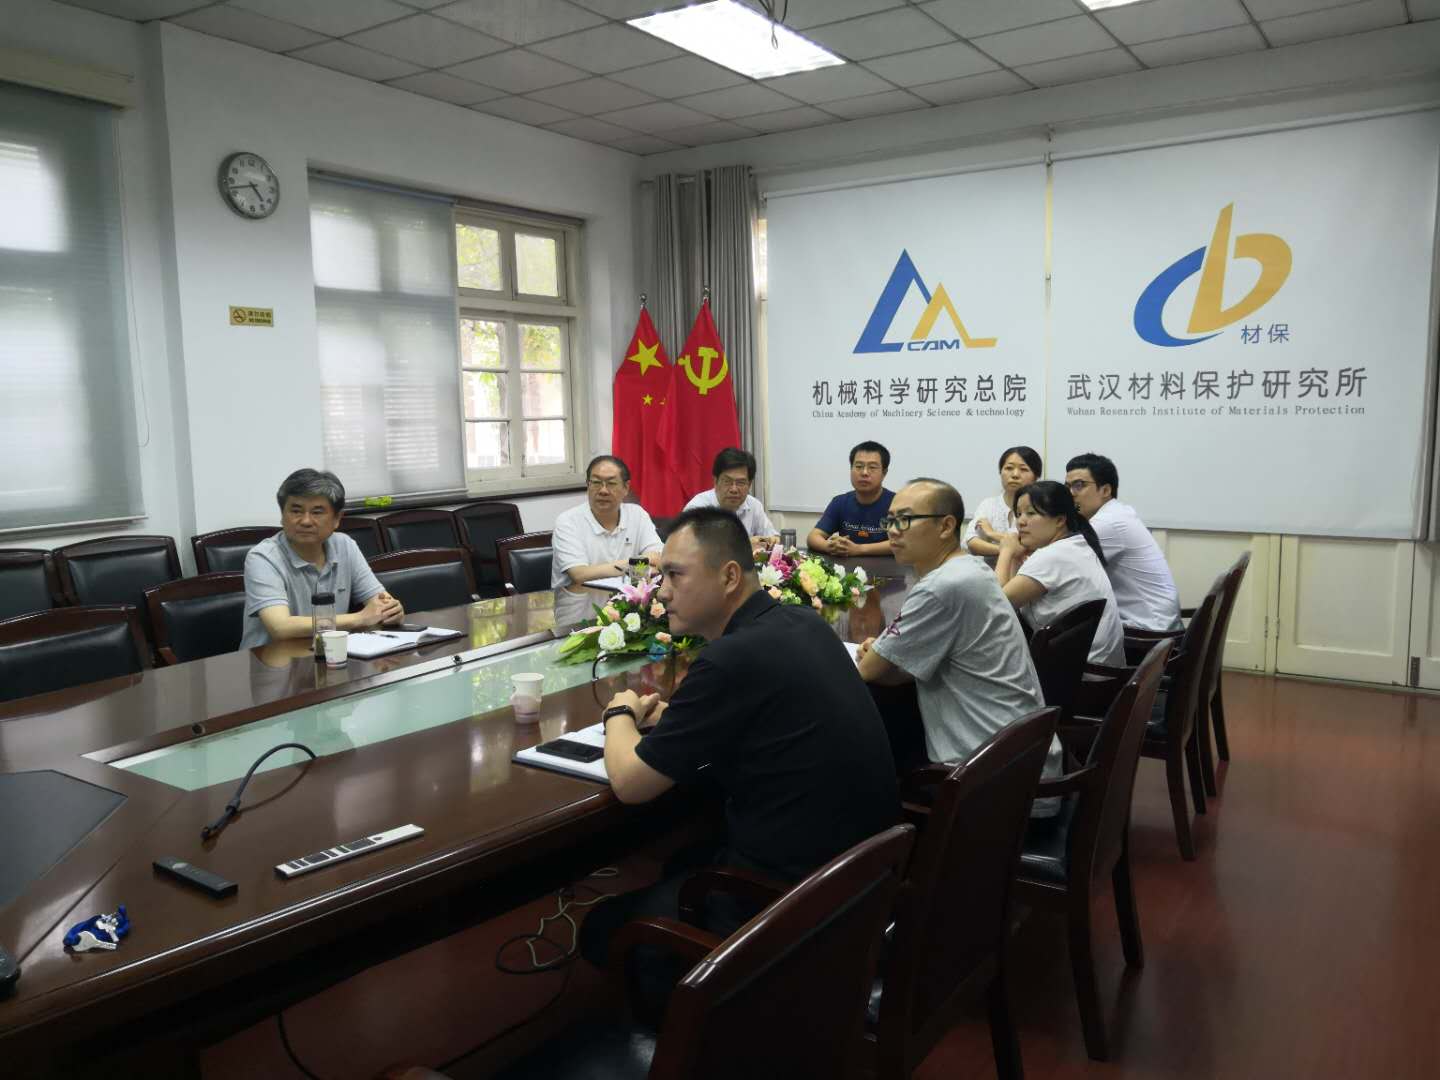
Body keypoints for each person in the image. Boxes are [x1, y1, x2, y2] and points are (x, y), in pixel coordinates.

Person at [583, 507, 899, 979]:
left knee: (600, 927)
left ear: (730, 576)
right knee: (684, 857)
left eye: (675, 575)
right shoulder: (801, 621)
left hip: (789, 902)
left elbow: (630, 784)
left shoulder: (730, 659)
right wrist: (681, 718)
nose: (662, 591)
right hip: (854, 883)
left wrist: (619, 714)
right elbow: (762, 713)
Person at [855, 479, 1060, 808]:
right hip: (1022, 759)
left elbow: (867, 670)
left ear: (946, 526)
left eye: (904, 520)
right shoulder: (970, 568)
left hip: (990, 782)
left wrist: (877, 653)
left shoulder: (943, 586)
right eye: (889, 520)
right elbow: (897, 667)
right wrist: (883, 655)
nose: (892, 530)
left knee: (862, 745)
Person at [241, 468, 404, 649]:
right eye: (296, 511)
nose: (305, 521)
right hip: (271, 661)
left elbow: (381, 602)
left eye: (317, 512)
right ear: (282, 515)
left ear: (337, 519)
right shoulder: (263, 558)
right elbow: (280, 627)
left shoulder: (345, 546)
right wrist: (360, 618)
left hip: (330, 653)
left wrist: (390, 611)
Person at [996, 480, 1126, 666]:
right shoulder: (1075, 545)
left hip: (1077, 673)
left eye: (1031, 513)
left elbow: (996, 605)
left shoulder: (1053, 555)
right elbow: (1012, 599)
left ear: (1059, 520)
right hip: (1098, 668)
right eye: (1018, 514)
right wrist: (1016, 557)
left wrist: (1006, 552)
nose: (1021, 522)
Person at [1065, 452, 1182, 631]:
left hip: (1149, 629)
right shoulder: (1116, 513)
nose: (1070, 494)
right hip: (1153, 621)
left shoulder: (1109, 522)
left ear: (1105, 490)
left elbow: (1061, 563)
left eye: (1079, 485)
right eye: (1067, 486)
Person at [550, 455, 663, 589]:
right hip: (578, 599)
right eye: (596, 482)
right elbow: (579, 575)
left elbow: (657, 559)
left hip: (627, 598)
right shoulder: (568, 522)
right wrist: (638, 565)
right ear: (588, 485)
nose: (603, 490)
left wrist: (632, 568)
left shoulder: (637, 515)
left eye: (611, 483)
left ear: (626, 487)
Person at [807, 440, 895, 556]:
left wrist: (859, 549)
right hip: (847, 567)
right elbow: (813, 537)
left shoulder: (897, 503)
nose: (864, 473)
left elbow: (903, 543)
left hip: (887, 567)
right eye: (858, 466)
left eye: (872, 467)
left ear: (884, 473)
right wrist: (830, 546)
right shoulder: (840, 502)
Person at [682, 447, 779, 549]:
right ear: (715, 482)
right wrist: (745, 545)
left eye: (740, 483)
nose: (734, 489)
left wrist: (772, 541)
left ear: (749, 484)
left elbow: (773, 538)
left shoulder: (754, 506)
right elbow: (687, 548)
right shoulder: (698, 508)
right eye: (727, 481)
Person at [963, 445, 1042, 558]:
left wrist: (992, 534)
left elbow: (1030, 544)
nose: (1015, 475)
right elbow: (971, 542)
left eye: (1023, 469)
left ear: (1036, 476)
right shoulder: (988, 505)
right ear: (1000, 472)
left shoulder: (1042, 508)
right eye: (1009, 468)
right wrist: (1008, 550)